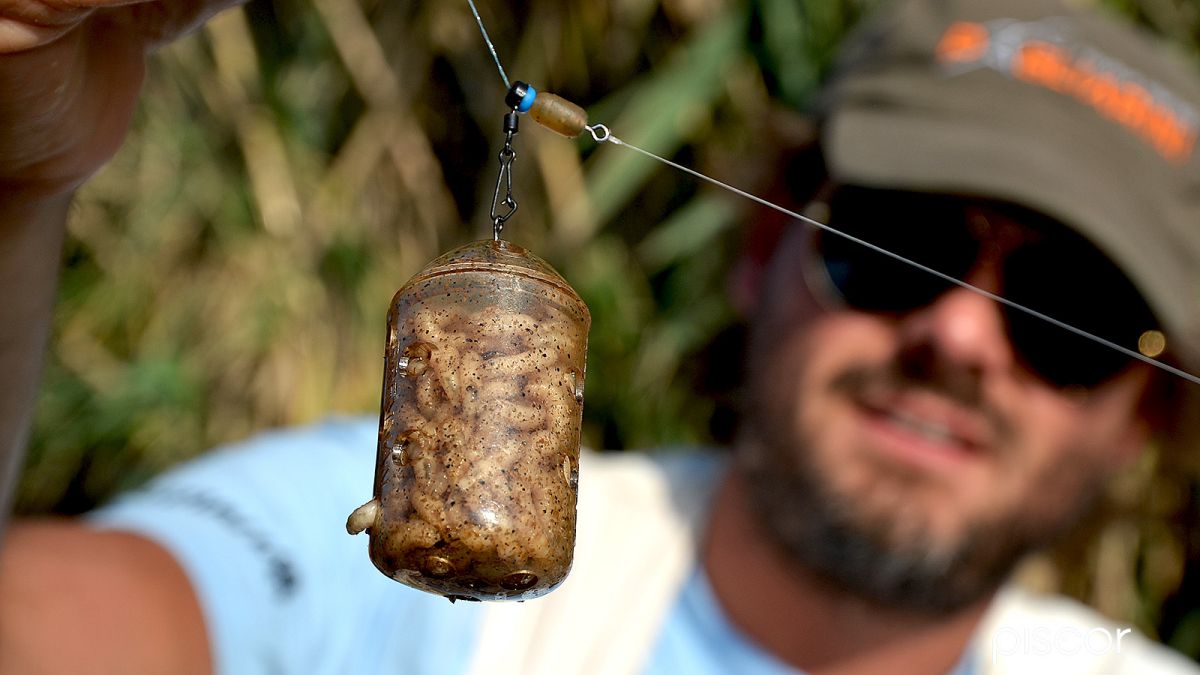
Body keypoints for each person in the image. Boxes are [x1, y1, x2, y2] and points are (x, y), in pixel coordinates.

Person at [2, 0, 1200, 673]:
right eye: (896, 243)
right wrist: (19, 182)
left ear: (1150, 408)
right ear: (762, 242)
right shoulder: (365, 588)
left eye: (1072, 317)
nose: (959, 333)